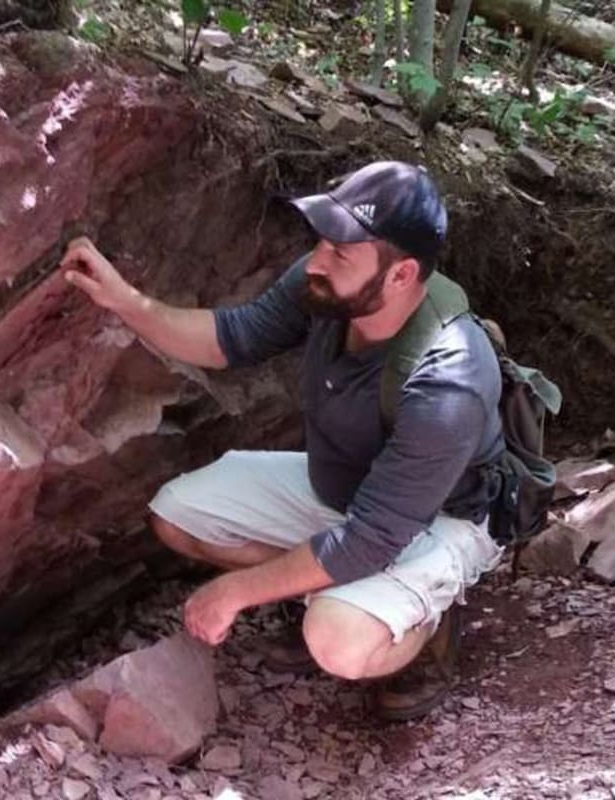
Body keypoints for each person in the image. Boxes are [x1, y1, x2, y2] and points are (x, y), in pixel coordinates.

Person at [59, 160, 504, 719]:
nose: (317, 261)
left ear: (401, 275)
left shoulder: (449, 378)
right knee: (178, 515)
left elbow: (372, 537)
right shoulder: (328, 289)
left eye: (340, 253)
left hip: (441, 518)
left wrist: (237, 590)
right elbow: (232, 338)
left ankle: (425, 625)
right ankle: (339, 592)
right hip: (349, 486)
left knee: (336, 638)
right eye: (322, 242)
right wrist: (124, 299)